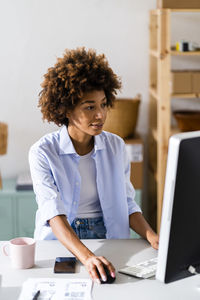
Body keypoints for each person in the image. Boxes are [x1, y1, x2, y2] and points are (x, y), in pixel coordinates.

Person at [29, 47, 159, 284]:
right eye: (90, 107)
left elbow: (128, 202)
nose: (100, 115)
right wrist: (88, 257)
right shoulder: (43, 152)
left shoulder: (116, 147)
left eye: (103, 104)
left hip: (110, 235)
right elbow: (53, 214)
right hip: (62, 239)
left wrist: (152, 236)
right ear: (66, 109)